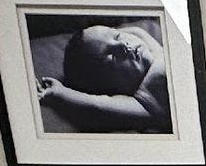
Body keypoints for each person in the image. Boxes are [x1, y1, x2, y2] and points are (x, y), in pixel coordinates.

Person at [36, 23, 171, 132]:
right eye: (112, 57)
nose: (122, 45)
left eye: (118, 37)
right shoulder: (145, 99)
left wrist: (104, 36)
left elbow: (136, 31)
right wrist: (60, 93)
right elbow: (97, 104)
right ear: (114, 88)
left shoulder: (154, 49)